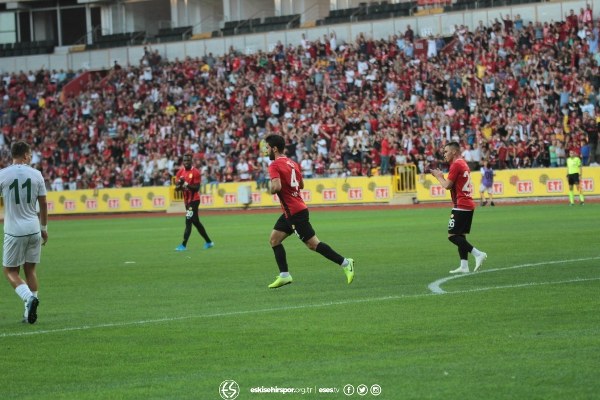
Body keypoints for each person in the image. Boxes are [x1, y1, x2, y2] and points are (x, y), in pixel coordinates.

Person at [264, 134, 354, 288]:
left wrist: (271, 188)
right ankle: (284, 275)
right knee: (274, 240)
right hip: (292, 211)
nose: (266, 151)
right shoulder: (292, 163)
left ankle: (345, 262)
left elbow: (276, 187)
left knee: (313, 245)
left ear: (274, 148)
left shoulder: (274, 165)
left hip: (294, 213)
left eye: (267, 148)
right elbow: (302, 184)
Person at [0, 141, 48, 324]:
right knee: (30, 270)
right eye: (30, 154)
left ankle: (29, 299)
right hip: (34, 228)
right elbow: (43, 204)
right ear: (26, 155)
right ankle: (28, 313)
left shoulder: (3, 175)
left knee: (10, 271)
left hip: (14, 231)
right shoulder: (37, 174)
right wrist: (44, 229)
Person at [431, 142, 487, 274]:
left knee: (452, 236)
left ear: (454, 152)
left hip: (461, 204)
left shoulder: (456, 165)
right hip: (466, 203)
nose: (444, 154)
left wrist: (439, 177)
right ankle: (464, 265)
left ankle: (478, 254)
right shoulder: (463, 163)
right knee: (460, 235)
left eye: (446, 151)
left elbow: (447, 186)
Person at [174, 153, 214, 251]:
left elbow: (196, 188)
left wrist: (185, 184)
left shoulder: (196, 172)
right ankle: (209, 242)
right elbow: (177, 189)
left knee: (188, 221)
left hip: (194, 200)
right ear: (183, 162)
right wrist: (179, 185)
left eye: (188, 160)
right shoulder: (180, 173)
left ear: (191, 161)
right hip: (187, 201)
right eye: (185, 160)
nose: (186, 162)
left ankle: (183, 245)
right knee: (196, 222)